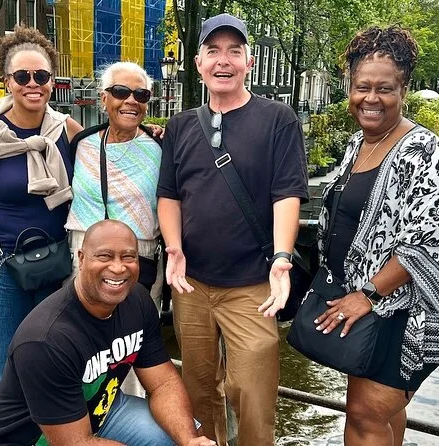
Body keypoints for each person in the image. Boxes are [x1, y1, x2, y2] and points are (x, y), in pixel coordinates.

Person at [311, 26, 439, 446]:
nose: (371, 98)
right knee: (384, 415)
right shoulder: (357, 144)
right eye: (362, 87)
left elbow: (427, 242)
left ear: (404, 90)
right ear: (349, 88)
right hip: (374, 307)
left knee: (364, 416)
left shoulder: (425, 151)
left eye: (385, 89)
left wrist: (366, 295)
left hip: (407, 310)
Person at [157, 13, 308, 445]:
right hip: (192, 284)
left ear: (249, 62)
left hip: (252, 284)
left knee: (254, 393)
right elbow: (169, 194)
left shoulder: (278, 119)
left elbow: (287, 193)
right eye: (213, 51)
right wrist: (174, 249)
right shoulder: (181, 125)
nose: (223, 60)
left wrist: (282, 257)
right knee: (198, 390)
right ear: (198, 63)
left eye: (234, 51)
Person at [0, 220, 215, 446]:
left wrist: (188, 439)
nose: (118, 267)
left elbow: (163, 383)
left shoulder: (138, 301)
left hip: (101, 412)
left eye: (128, 257)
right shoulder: (46, 339)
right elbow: (75, 442)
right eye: (104, 256)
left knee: (184, 433)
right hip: (36, 438)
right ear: (81, 258)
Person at [0, 25, 83, 405]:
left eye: (41, 76)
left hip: (55, 266)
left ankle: (45, 432)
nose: (32, 84)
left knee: (49, 362)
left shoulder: (66, 130)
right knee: (3, 367)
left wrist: (151, 134)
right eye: (22, 76)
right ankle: (4, 432)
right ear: (7, 81)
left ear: (52, 81)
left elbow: (108, 156)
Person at [66, 61, 164, 398]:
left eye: (141, 94)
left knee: (132, 340)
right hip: (84, 251)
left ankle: (131, 409)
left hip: (139, 255)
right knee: (84, 336)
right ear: (103, 97)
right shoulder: (82, 144)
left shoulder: (160, 146)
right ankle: (81, 409)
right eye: (121, 92)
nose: (131, 100)